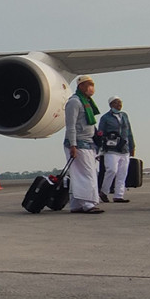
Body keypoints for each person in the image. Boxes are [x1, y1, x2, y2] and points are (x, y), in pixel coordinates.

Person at [64, 75, 103, 214]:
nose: (92, 88)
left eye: (93, 85)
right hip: (78, 144)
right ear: (80, 86)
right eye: (88, 85)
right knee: (87, 174)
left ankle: (76, 205)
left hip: (88, 143)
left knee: (80, 174)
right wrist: (73, 145)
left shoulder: (87, 102)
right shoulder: (74, 102)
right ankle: (88, 204)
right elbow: (70, 126)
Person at [98, 95, 135, 203]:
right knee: (112, 170)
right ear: (111, 105)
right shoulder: (105, 118)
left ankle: (118, 195)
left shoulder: (124, 116)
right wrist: (101, 147)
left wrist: (132, 146)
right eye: (116, 102)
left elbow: (129, 132)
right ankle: (104, 191)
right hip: (111, 148)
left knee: (122, 173)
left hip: (124, 148)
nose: (119, 104)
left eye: (120, 102)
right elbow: (100, 133)